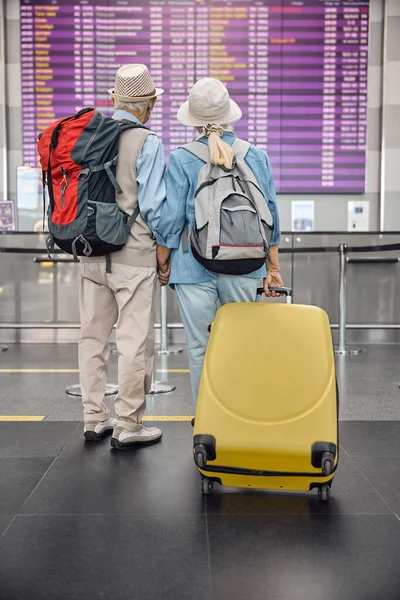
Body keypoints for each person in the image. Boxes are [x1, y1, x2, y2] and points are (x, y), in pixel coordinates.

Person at [155, 78, 283, 407]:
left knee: (199, 348)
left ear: (194, 121)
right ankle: (238, 416)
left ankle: (206, 422)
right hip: (246, 261)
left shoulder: (181, 158)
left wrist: (162, 262)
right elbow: (270, 215)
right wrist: (274, 268)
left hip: (192, 264)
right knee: (240, 346)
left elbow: (171, 220)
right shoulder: (256, 156)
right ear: (229, 116)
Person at [79, 64, 166, 449]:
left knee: (92, 338)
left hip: (90, 252)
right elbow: (155, 207)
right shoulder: (147, 141)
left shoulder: (89, 134)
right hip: (133, 257)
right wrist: (164, 251)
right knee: (134, 342)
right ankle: (128, 424)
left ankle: (94, 417)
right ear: (149, 104)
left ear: (113, 99)